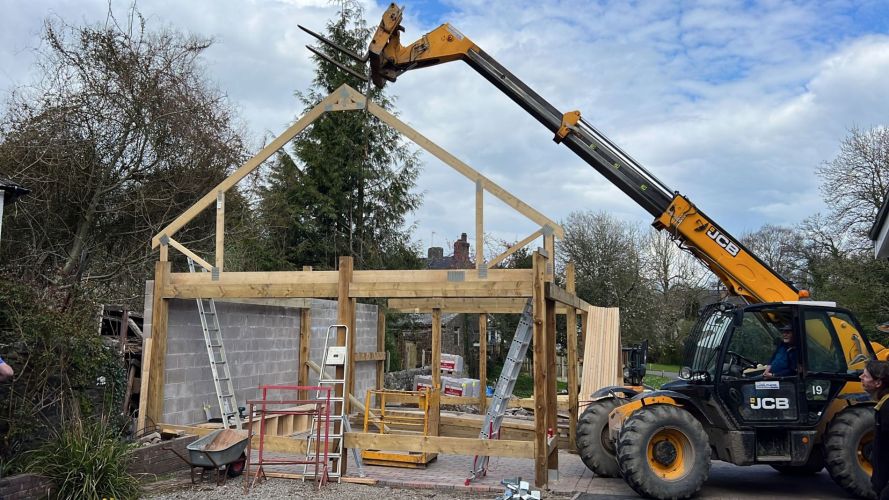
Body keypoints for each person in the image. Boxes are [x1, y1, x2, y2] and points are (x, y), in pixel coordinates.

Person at [861, 360, 889, 500]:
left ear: (878, 383)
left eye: (865, 376)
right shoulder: (883, 406)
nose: (861, 377)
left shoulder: (887, 408)